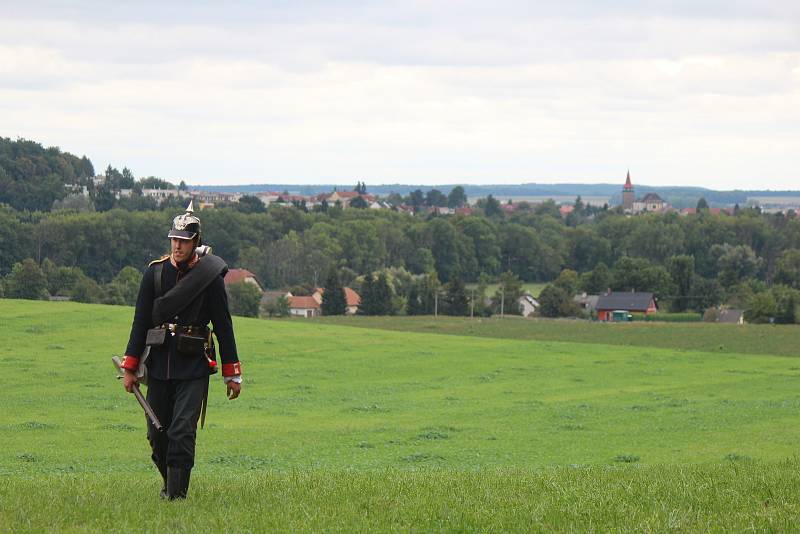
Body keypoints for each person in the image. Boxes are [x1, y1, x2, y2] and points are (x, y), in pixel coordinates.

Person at [120, 201, 242, 500]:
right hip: (159, 364)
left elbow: (224, 328)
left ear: (195, 242)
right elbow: (140, 322)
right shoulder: (155, 274)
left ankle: (177, 497)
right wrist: (130, 366)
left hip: (193, 366)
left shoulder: (209, 278)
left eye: (184, 241)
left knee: (182, 433)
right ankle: (169, 485)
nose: (177, 246)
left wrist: (232, 374)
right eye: (174, 239)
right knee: (156, 434)